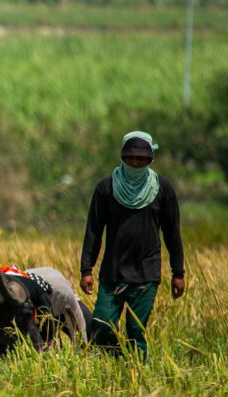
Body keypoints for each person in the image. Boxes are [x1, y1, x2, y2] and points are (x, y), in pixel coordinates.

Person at [79, 130, 185, 360]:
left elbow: (172, 233)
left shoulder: (162, 189)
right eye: (131, 158)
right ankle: (119, 359)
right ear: (122, 157)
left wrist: (178, 272)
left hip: (146, 274)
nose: (135, 163)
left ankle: (138, 378)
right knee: (102, 325)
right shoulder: (106, 188)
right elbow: (94, 231)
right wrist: (86, 270)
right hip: (112, 273)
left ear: (150, 160)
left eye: (141, 159)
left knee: (135, 332)